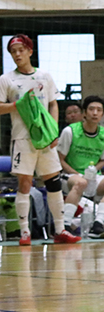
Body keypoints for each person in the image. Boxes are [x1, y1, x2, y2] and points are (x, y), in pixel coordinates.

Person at [0, 34, 79, 245]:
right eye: (13, 52)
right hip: (22, 138)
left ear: (30, 51)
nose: (17, 54)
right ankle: (25, 232)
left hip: (45, 139)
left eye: (21, 50)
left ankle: (60, 230)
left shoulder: (44, 76)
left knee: (53, 181)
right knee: (25, 183)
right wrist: (17, 105)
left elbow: (53, 103)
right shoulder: (6, 79)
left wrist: (53, 131)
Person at [57, 95, 104, 237]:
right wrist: (78, 174)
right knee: (81, 182)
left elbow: (102, 160)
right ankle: (65, 226)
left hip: (92, 176)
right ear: (84, 113)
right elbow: (59, 159)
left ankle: (98, 225)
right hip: (69, 176)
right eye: (91, 109)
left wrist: (94, 170)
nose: (95, 113)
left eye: (99, 110)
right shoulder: (70, 131)